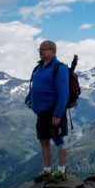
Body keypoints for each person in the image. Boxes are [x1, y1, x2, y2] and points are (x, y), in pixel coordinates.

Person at [25, 40, 69, 180]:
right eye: (40, 49)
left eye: (43, 49)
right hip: (41, 112)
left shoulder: (59, 68)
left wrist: (58, 113)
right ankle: (47, 170)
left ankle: (61, 172)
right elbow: (35, 86)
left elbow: (63, 93)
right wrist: (29, 97)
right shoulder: (38, 68)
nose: (40, 51)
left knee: (59, 141)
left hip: (53, 111)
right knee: (43, 140)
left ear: (52, 51)